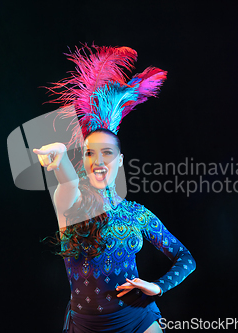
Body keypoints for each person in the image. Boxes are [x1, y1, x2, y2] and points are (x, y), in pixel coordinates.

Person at [33, 44, 196, 333]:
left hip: (138, 320)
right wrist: (58, 155)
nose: (98, 161)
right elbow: (67, 180)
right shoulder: (71, 204)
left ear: (119, 161)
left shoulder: (137, 214)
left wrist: (156, 287)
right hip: (87, 326)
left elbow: (185, 258)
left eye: (106, 153)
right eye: (89, 153)